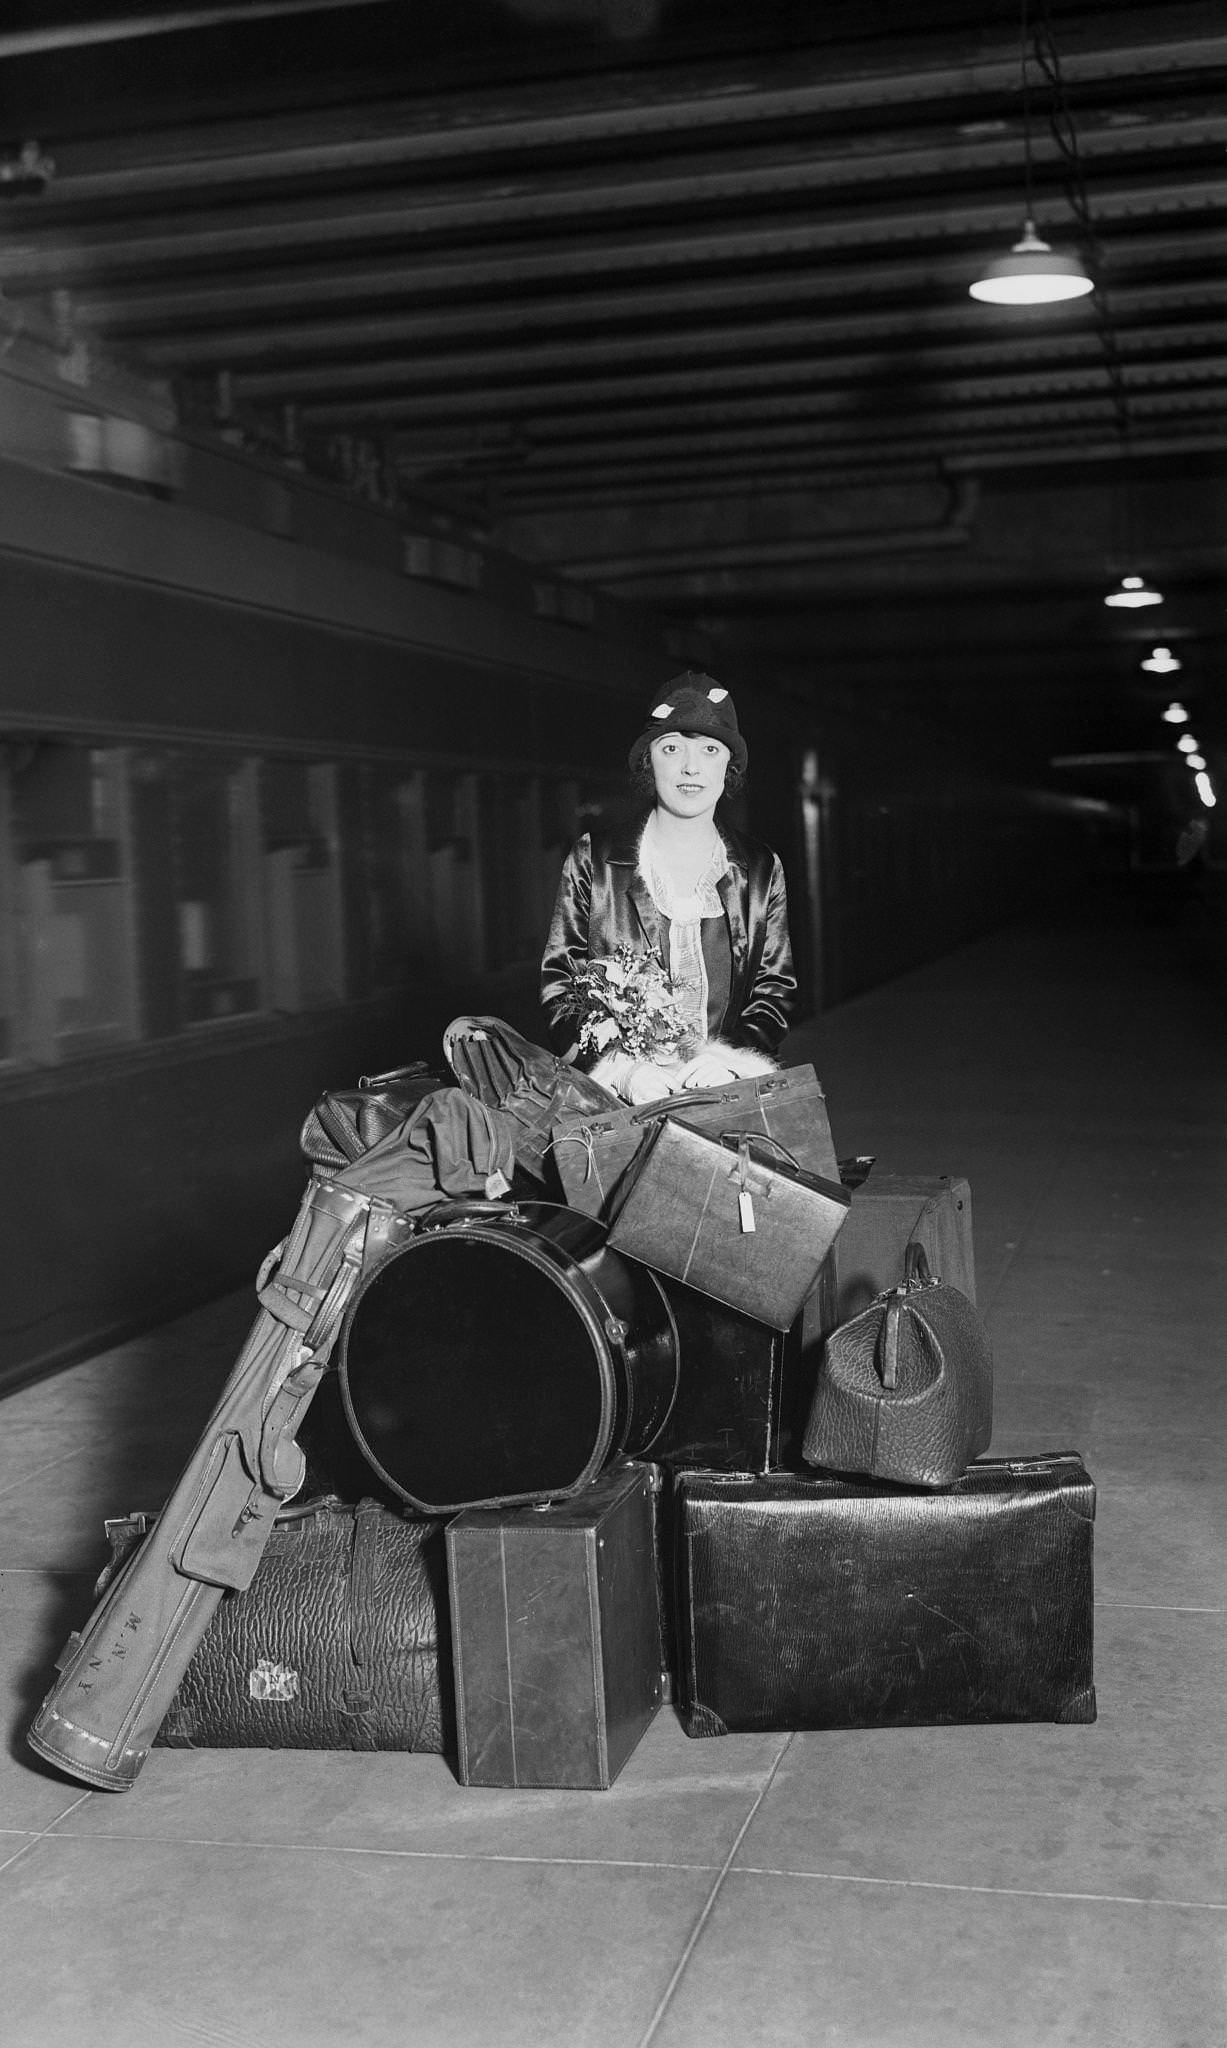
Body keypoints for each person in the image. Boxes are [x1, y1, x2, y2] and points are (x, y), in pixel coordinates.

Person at [540, 674, 797, 1105]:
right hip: (618, 1102)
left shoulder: (759, 868)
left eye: (710, 750)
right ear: (649, 762)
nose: (691, 767)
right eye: (672, 747)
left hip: (726, 1095)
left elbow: (774, 991)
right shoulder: (595, 859)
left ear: (728, 767)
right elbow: (559, 987)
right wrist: (621, 1072)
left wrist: (730, 1060)